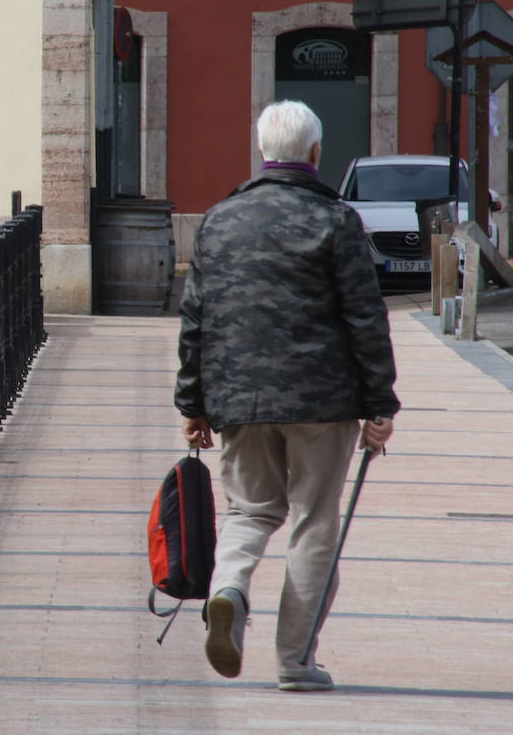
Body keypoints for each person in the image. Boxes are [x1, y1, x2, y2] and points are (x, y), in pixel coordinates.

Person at [174, 99, 399, 692]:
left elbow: (195, 317)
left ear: (262, 150)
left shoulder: (219, 219)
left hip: (238, 397)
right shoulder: (336, 220)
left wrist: (192, 404)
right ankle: (295, 663)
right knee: (314, 524)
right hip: (323, 401)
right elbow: (365, 317)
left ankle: (229, 589)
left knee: (249, 512)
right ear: (316, 153)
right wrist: (380, 404)